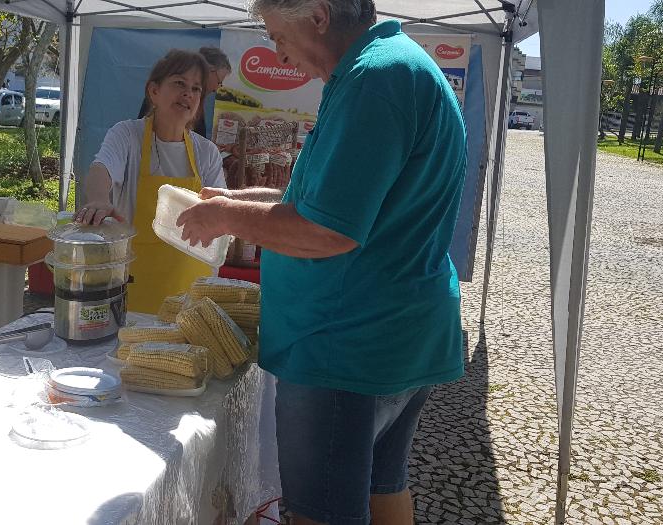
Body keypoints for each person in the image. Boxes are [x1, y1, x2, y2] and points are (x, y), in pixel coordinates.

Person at [175, 0, 467, 522]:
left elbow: (326, 231)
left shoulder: (374, 81)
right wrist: (235, 201)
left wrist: (225, 217)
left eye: (275, 32)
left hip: (345, 344)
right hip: (394, 334)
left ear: (316, 14)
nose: (274, 48)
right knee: (383, 488)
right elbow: (325, 199)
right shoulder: (393, 65)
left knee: (321, 513)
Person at [76, 49, 227, 314]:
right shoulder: (127, 135)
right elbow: (102, 168)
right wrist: (99, 199)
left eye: (195, 89)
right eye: (179, 83)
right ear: (154, 91)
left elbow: (220, 211)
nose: (188, 94)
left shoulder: (207, 153)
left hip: (192, 296)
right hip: (135, 294)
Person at [138, 47, 232, 138]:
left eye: (195, 89)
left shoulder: (204, 148)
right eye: (180, 83)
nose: (216, 89)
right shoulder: (128, 138)